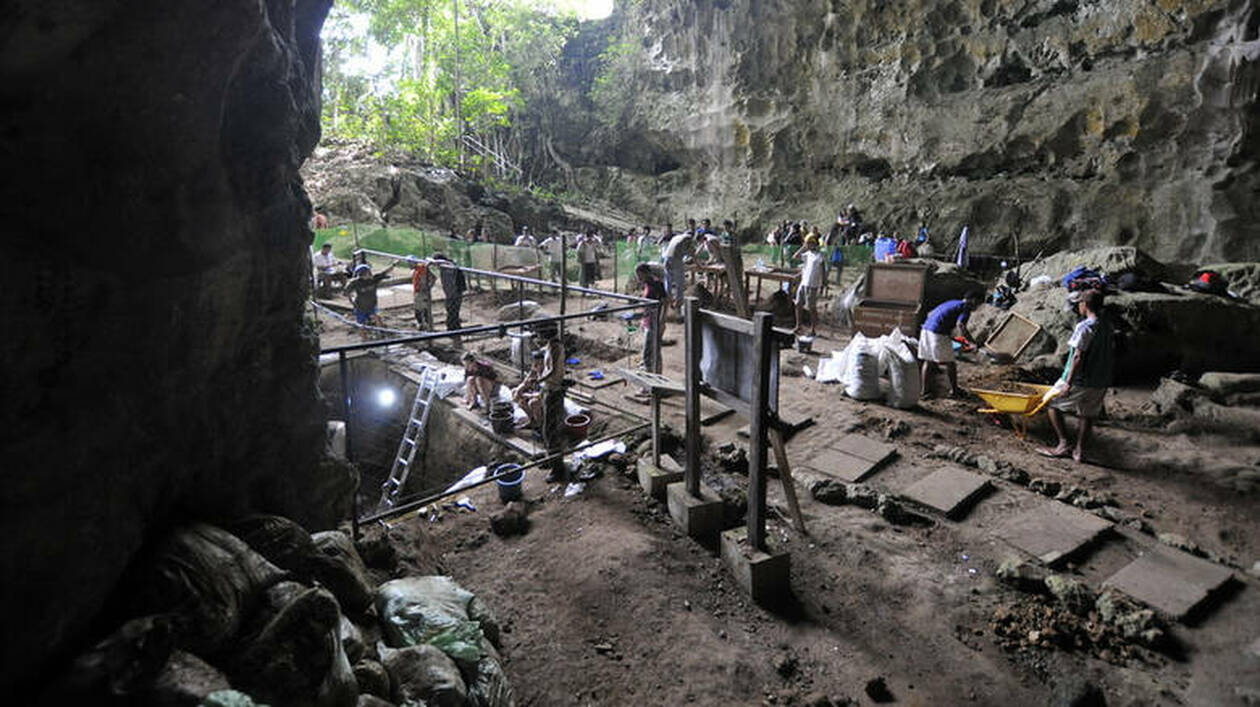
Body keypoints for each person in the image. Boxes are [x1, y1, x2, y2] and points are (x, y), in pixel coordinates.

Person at [1040, 289, 1114, 463]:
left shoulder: (1085, 327)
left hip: (1081, 379)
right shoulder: (1107, 326)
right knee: (1087, 414)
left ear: (1085, 305)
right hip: (1101, 379)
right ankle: (1079, 451)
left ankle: (1063, 444)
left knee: (1052, 404)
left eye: (1080, 304)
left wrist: (1068, 382)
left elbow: (1078, 356)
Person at [918, 291, 982, 398]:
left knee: (929, 361)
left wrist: (951, 337)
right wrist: (972, 343)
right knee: (950, 363)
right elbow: (961, 325)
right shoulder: (965, 307)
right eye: (979, 303)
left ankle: (924, 392)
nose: (978, 307)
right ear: (974, 300)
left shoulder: (953, 302)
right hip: (937, 332)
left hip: (926, 330)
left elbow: (935, 315)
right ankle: (954, 391)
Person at [537, 325, 569, 483]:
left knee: (551, 431)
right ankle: (552, 461)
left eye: (539, 334)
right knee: (546, 428)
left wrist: (538, 380)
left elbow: (552, 369)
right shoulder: (550, 345)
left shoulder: (556, 347)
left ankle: (558, 469)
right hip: (548, 388)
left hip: (553, 390)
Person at [346, 260, 398, 334]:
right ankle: (364, 340)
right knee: (361, 324)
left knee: (377, 317)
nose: (369, 274)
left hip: (372, 305)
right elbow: (347, 292)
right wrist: (352, 301)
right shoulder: (355, 283)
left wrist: (393, 265)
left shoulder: (373, 279)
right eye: (366, 273)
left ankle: (381, 334)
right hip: (360, 306)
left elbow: (385, 272)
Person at [791, 235, 826, 336]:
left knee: (811, 307)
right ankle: (798, 326)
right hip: (804, 282)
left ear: (815, 244)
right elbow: (795, 256)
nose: (809, 245)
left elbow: (823, 270)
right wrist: (803, 247)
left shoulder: (820, 256)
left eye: (811, 243)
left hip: (813, 284)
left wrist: (824, 283)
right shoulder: (806, 254)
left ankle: (813, 328)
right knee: (798, 304)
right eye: (808, 243)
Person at [636, 263, 667, 372]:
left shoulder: (657, 284)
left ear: (646, 273)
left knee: (650, 352)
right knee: (650, 350)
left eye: (640, 275)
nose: (638, 278)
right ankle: (654, 374)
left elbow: (665, 302)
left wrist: (662, 321)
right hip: (647, 321)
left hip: (654, 321)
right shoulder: (647, 284)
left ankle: (654, 376)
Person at [660, 228, 693, 316]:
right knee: (680, 284)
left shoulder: (676, 237)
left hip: (666, 259)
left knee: (668, 282)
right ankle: (678, 307)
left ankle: (668, 302)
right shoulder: (688, 238)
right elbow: (692, 253)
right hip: (676, 260)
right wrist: (699, 265)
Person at [432, 252, 466, 332]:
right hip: (451, 292)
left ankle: (453, 326)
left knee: (452, 309)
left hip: (454, 292)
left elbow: (451, 283)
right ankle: (453, 325)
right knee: (451, 309)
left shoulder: (448, 267)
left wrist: (452, 293)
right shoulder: (446, 267)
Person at [512, 351, 546, 429]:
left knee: (533, 402)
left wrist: (528, 395)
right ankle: (532, 421)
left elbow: (542, 394)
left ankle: (540, 425)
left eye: (539, 363)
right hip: (535, 393)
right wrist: (518, 390)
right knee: (518, 396)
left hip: (547, 397)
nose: (536, 364)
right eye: (535, 362)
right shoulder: (534, 371)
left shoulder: (547, 374)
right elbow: (525, 383)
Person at [410, 256, 435, 330]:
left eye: (410, 263)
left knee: (425, 309)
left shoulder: (422, 269)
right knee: (417, 309)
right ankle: (421, 324)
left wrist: (428, 287)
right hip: (417, 292)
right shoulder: (415, 270)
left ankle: (428, 325)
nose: (409, 265)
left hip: (422, 292)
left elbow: (432, 278)